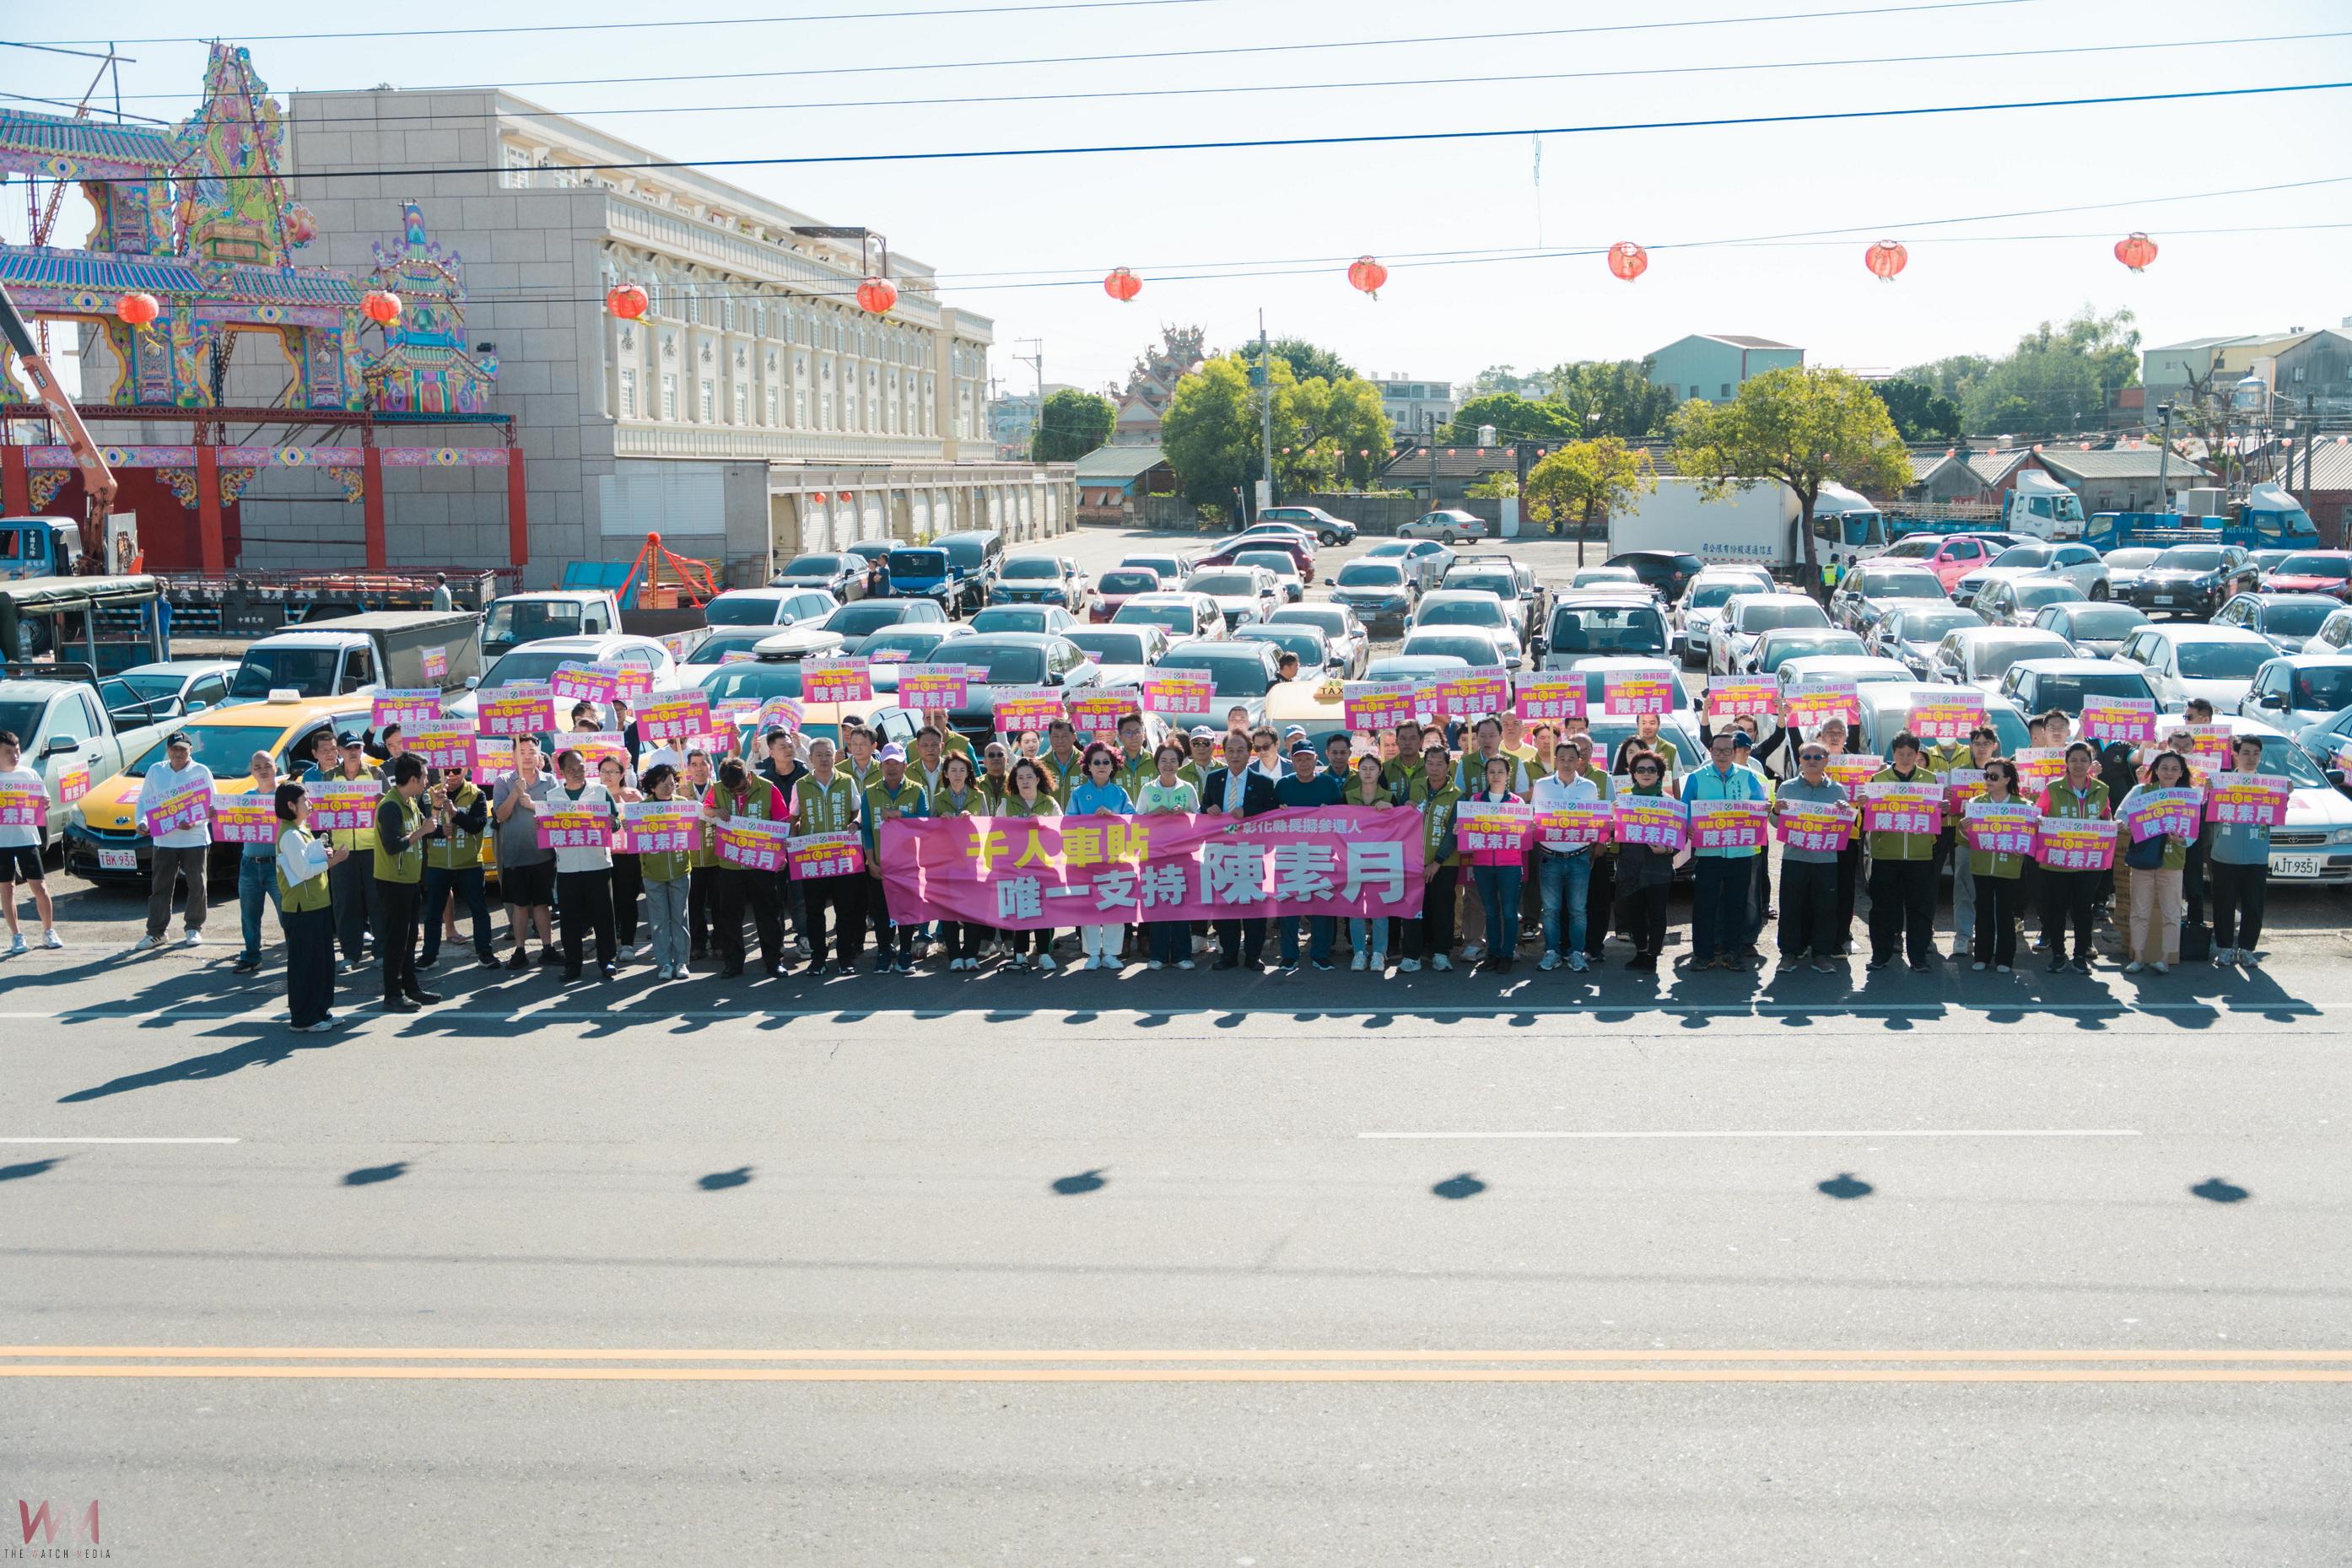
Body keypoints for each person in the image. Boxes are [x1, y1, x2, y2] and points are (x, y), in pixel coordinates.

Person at [1686, 729, 1768, 973]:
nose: (1722, 755)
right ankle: (1703, 954)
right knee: (1704, 906)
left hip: (1741, 852)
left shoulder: (1748, 776)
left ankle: (1733, 953)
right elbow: (1686, 809)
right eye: (1717, 750)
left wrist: (1765, 808)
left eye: (1727, 750)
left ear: (1734, 752)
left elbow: (1760, 805)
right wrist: (1688, 826)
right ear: (1710, 752)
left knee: (1737, 906)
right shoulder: (1697, 777)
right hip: (1708, 853)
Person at [1864, 731, 1944, 973]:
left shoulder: (1930, 780)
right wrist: (1864, 805)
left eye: (1910, 754)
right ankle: (1880, 954)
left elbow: (1936, 813)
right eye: (1901, 754)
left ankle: (1918, 957)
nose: (1906, 758)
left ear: (1917, 754)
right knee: (1883, 907)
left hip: (1920, 854)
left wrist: (1942, 807)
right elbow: (1869, 814)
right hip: (1885, 854)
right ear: (1893, 753)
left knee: (1920, 908)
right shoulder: (1879, 779)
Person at [1772, 737, 1852, 973]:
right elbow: (1776, 823)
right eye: (1807, 757)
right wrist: (1776, 811)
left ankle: (1821, 955)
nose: (1812, 761)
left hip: (1825, 859)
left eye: (1818, 757)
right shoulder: (1787, 788)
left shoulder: (1837, 790)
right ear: (1800, 761)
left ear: (1827, 761)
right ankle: (1789, 953)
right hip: (1794, 857)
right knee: (1790, 907)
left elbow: (1845, 828)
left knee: (1825, 908)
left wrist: (1845, 813)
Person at [703, 757, 788, 979]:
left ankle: (773, 961)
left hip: (761, 862)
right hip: (731, 863)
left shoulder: (768, 788)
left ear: (748, 775)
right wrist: (716, 811)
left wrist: (781, 856)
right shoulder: (718, 789)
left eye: (741, 788)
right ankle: (733, 962)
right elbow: (705, 809)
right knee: (730, 915)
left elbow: (782, 822)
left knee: (768, 912)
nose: (738, 793)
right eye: (733, 791)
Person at [1200, 731, 1277, 971]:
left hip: (1251, 852)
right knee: (1226, 904)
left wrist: (1248, 811)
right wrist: (1208, 809)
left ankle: (1253, 956)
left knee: (1254, 905)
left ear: (1249, 752)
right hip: (1222, 852)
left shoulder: (1263, 782)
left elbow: (1271, 813)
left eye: (1240, 750)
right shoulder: (1214, 779)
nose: (1235, 755)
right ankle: (1229, 955)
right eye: (1230, 751)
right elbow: (1203, 807)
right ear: (1224, 753)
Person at [132, 730, 214, 952]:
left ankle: (193, 927)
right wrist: (141, 822)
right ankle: (156, 932)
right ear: (167, 750)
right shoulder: (155, 771)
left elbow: (211, 807)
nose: (178, 754)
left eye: (183, 750)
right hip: (164, 839)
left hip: (194, 839)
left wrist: (196, 822)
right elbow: (144, 801)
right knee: (160, 887)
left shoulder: (201, 771)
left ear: (191, 750)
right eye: (174, 749)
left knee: (197, 885)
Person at [272, 781, 345, 1031]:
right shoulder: (290, 834)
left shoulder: (300, 829)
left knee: (322, 962)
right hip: (301, 909)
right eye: (305, 800)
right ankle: (304, 1018)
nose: (310, 804)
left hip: (317, 904)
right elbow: (303, 871)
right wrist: (334, 861)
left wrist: (323, 854)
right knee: (305, 965)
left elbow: (307, 861)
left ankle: (321, 1011)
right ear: (291, 805)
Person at [371, 753, 442, 1011]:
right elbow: (393, 846)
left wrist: (435, 811)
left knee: (410, 938)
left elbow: (425, 829)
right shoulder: (390, 806)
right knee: (396, 940)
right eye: (423, 777)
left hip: (410, 880)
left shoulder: (410, 801)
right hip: (393, 881)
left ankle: (411, 987)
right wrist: (422, 831)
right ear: (412, 779)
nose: (427, 781)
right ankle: (392, 994)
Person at [792, 736, 867, 977]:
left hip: (841, 855)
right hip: (813, 857)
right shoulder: (801, 785)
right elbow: (794, 816)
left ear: (835, 756)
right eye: (819, 755)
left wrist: (856, 822)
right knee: (814, 911)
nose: (824, 759)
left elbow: (858, 810)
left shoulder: (846, 781)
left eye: (828, 754)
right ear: (810, 758)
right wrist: (792, 845)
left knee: (845, 909)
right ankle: (818, 958)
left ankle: (845, 957)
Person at [2115, 748, 2193, 975]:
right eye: (2164, 768)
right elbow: (2121, 815)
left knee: (2172, 913)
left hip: (2172, 859)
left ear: (2181, 773)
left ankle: (2165, 959)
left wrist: (2182, 839)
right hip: (2143, 858)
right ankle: (2138, 957)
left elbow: (2193, 831)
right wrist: (2130, 825)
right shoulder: (2141, 791)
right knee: (2140, 911)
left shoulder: (2188, 796)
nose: (2169, 772)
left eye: (2175, 769)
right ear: (2156, 770)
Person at [2036, 741, 2110, 974]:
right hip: (2058, 859)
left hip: (2089, 860)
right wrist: (2039, 821)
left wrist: (2111, 825)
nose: (2079, 764)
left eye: (2084, 760)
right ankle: (2058, 954)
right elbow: (2038, 814)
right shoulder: (2053, 788)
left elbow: (2106, 816)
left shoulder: (2101, 788)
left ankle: (2080, 955)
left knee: (2083, 908)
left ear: (2091, 763)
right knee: (2057, 907)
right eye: (2074, 760)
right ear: (2066, 763)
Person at [310, 731, 380, 968]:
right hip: (342, 851)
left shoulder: (375, 773)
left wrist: (381, 802)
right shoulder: (328, 777)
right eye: (348, 748)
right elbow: (319, 815)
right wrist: (326, 846)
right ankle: (350, 954)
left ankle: (381, 952)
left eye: (357, 747)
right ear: (339, 750)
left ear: (362, 749)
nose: (353, 752)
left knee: (377, 901)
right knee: (345, 903)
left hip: (373, 848)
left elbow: (389, 807)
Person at [550, 747, 620, 982]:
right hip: (567, 867)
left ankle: (607, 961)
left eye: (581, 767)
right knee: (570, 919)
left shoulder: (600, 791)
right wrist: (541, 825)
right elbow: (548, 828)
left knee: (603, 916)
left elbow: (616, 822)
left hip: (597, 863)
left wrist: (612, 823)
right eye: (571, 768)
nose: (577, 772)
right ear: (562, 771)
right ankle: (573, 965)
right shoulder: (553, 797)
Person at [418, 763, 497, 973]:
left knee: (479, 910)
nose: (451, 775)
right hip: (438, 863)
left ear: (466, 770)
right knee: (433, 913)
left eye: (456, 770)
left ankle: (485, 953)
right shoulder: (430, 794)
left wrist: (455, 814)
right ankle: (429, 956)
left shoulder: (476, 794)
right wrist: (439, 830)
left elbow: (478, 825)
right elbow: (421, 827)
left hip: (469, 862)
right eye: (446, 771)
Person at [2208, 734, 2276, 967]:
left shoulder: (2270, 786)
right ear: (2236, 755)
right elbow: (2209, 815)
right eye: (2246, 752)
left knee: (2254, 905)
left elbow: (2276, 818)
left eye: (2256, 753)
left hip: (2257, 855)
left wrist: (2284, 796)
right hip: (2225, 854)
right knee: (2223, 904)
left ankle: (2247, 949)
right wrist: (2209, 793)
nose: (2251, 757)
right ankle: (2225, 948)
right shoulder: (2221, 782)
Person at [1065, 744, 1134, 970]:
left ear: (1113, 766)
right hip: (1087, 860)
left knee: (1115, 904)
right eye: (1097, 762)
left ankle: (1112, 953)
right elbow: (1067, 824)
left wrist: (1113, 816)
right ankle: (1093, 953)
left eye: (1106, 762)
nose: (1102, 766)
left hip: (1116, 859)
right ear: (1088, 766)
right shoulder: (1078, 794)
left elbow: (1134, 822)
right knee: (1089, 906)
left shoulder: (1120, 793)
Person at [862, 741, 930, 973]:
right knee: (881, 911)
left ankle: (906, 952)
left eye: (896, 763)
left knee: (907, 910)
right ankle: (883, 951)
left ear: (905, 765)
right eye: (887, 763)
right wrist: (871, 862)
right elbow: (866, 830)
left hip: (908, 865)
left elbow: (925, 824)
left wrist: (901, 814)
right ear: (881, 766)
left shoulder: (916, 790)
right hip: (880, 865)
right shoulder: (870, 792)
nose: (891, 768)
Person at [491, 739, 558, 970]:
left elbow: (556, 813)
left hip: (543, 854)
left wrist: (532, 805)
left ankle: (548, 948)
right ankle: (520, 950)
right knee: (519, 905)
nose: (527, 756)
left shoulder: (549, 780)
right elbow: (501, 815)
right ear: (513, 755)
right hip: (515, 855)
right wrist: (515, 792)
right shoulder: (503, 781)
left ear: (539, 755)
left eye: (532, 751)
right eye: (522, 752)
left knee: (542, 903)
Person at [1396, 741, 1461, 973]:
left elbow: (1453, 833)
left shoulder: (1457, 795)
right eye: (1430, 763)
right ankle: (1411, 955)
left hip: (1445, 864)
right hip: (1413, 861)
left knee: (1443, 908)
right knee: (1413, 908)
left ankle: (1441, 954)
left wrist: (1437, 862)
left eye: (1439, 764)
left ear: (1448, 766)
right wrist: (1404, 805)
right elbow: (1398, 814)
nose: (1434, 768)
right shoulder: (1415, 786)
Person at [1462, 754, 1528, 973]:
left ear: (1508, 775)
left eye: (1501, 771)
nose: (1496, 775)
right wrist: (1460, 829)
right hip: (1482, 864)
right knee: (1490, 911)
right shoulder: (1476, 801)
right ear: (1486, 775)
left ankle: (1507, 954)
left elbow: (1524, 836)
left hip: (1510, 865)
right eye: (1492, 771)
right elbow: (1467, 832)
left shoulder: (1517, 803)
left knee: (1509, 911)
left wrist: (1529, 829)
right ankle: (1493, 954)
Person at [1613, 752, 1675, 972]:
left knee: (1657, 914)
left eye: (1651, 770)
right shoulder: (1623, 802)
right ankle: (1640, 952)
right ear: (1633, 774)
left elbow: (1679, 838)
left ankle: (1652, 956)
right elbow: (1614, 836)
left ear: (1659, 774)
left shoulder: (1669, 803)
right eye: (1641, 769)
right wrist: (1612, 820)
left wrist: (1667, 849)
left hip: (1658, 868)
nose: (1646, 773)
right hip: (1630, 867)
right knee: (1635, 914)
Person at [1965, 758, 2029, 973]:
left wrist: (2025, 843)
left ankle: (2005, 959)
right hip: (1981, 865)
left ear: (2007, 779)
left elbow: (2031, 837)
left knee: (2005, 912)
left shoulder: (2023, 806)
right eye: (1986, 776)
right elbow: (1965, 838)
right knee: (1983, 910)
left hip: (2008, 867)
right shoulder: (1976, 803)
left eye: (1994, 776)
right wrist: (1963, 828)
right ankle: (1981, 956)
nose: (1988, 780)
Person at [631, 762, 693, 981]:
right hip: (653, 872)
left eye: (672, 782)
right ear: (652, 786)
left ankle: (682, 961)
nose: (669, 787)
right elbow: (635, 837)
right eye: (663, 783)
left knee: (680, 918)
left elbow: (695, 829)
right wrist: (630, 827)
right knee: (659, 920)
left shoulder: (683, 804)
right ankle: (664, 962)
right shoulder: (642, 808)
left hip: (680, 868)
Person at [0, 730, 60, 952]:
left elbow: (44, 801)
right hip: (2, 843)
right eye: (8, 752)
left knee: (40, 887)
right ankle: (17, 936)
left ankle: (48, 931)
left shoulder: (29, 775)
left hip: (27, 838)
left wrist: (45, 802)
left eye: (16, 751)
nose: (15, 756)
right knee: (7, 889)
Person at [999, 758, 1062, 969]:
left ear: (1037, 779)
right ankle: (1020, 953)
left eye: (1029, 777)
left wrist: (1043, 825)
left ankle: (1044, 953)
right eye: (1020, 778)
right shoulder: (1007, 804)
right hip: (1017, 866)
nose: (1025, 781)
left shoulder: (1050, 803)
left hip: (1044, 866)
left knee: (1043, 909)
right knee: (1021, 909)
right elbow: (996, 833)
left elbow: (1061, 833)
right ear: (1014, 781)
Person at [931, 753, 992, 970]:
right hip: (947, 862)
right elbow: (929, 830)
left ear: (968, 774)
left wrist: (972, 820)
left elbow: (987, 827)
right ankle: (955, 956)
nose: (958, 775)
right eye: (953, 770)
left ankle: (970, 954)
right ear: (946, 774)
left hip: (972, 862)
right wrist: (940, 820)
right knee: (948, 910)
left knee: (972, 909)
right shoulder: (939, 798)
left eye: (962, 770)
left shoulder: (978, 796)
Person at [1946, 726, 1999, 959]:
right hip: (1966, 839)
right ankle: (1963, 935)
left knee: (1992, 891)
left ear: (1994, 746)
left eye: (1986, 743)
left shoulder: (2004, 771)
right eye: (1977, 743)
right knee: (1963, 889)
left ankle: (1989, 934)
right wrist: (1949, 799)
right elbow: (1952, 808)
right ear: (1970, 746)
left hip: (1996, 841)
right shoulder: (1960, 773)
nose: (1981, 748)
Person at [1341, 752, 1394, 973]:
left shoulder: (1390, 796)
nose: (1368, 772)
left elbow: (1402, 824)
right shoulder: (1348, 796)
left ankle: (1379, 953)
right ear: (1358, 772)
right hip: (1353, 858)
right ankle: (1359, 952)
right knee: (1355, 908)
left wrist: (1392, 810)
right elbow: (1335, 823)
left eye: (1372, 768)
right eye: (1364, 769)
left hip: (1381, 859)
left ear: (1380, 771)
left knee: (1379, 909)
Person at [229, 751, 282, 975]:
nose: (263, 770)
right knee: (249, 917)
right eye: (257, 767)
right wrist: (216, 815)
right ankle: (252, 957)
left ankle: (298, 955)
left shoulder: (285, 795)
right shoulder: (246, 798)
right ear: (251, 771)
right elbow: (230, 823)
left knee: (287, 914)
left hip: (278, 864)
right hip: (249, 864)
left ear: (276, 768)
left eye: (267, 765)